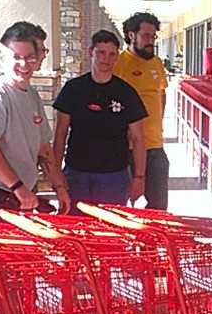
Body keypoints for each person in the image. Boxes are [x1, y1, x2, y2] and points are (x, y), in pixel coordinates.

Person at [0, 22, 71, 218]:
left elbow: (43, 148)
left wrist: (59, 186)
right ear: (2, 56)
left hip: (23, 195)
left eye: (30, 58)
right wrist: (18, 187)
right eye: (16, 57)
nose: (23, 65)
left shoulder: (32, 94)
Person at [53, 30, 147, 207]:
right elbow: (60, 134)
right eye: (101, 52)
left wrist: (139, 177)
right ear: (90, 52)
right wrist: (56, 175)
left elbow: (138, 138)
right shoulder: (73, 89)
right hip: (76, 174)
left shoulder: (127, 93)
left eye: (112, 54)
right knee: (76, 227)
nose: (106, 59)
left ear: (117, 57)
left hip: (115, 177)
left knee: (111, 230)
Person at [114, 12, 170, 209]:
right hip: (125, 148)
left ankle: (154, 239)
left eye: (153, 36)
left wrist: (157, 123)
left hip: (155, 146)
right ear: (131, 35)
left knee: (159, 207)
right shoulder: (118, 64)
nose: (150, 41)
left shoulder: (157, 63)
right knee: (122, 206)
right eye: (146, 36)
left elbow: (161, 94)